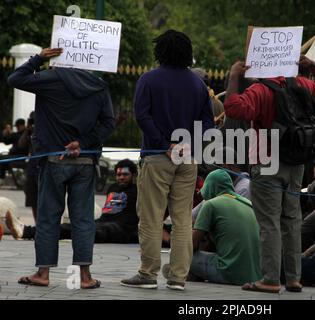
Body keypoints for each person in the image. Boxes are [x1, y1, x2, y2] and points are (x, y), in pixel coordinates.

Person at [224, 56, 315, 293]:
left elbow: (234, 108)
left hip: (267, 161)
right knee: (292, 219)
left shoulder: (260, 90)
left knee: (269, 222)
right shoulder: (303, 84)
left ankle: (271, 279)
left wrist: (234, 76)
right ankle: (294, 278)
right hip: (297, 162)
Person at [7, 47, 115, 289]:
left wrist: (38, 58)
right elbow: (108, 123)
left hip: (54, 159)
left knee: (48, 218)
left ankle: (43, 274)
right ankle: (85, 277)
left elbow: (14, 78)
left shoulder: (50, 79)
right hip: (85, 161)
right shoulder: (97, 85)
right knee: (83, 220)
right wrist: (83, 143)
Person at [121, 30, 214, 291]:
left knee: (151, 217)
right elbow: (208, 123)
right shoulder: (197, 84)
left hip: (156, 157)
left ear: (159, 51)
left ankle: (148, 273)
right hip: (188, 158)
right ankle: (177, 277)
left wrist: (163, 144)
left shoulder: (149, 79)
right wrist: (189, 144)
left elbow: (142, 115)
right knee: (183, 219)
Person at [163, 169, 261, 286]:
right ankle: (193, 274)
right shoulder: (247, 203)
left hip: (230, 273)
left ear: (211, 187)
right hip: (254, 275)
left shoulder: (210, 204)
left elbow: (191, 245)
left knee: (177, 254)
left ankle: (184, 274)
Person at [6, 159, 139, 244]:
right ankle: (25, 231)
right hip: (103, 222)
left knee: (89, 231)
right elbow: (108, 212)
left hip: (122, 229)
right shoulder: (113, 188)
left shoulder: (138, 190)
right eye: (118, 174)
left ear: (133, 175)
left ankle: (26, 232)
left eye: (125, 175)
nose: (121, 177)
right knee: (74, 226)